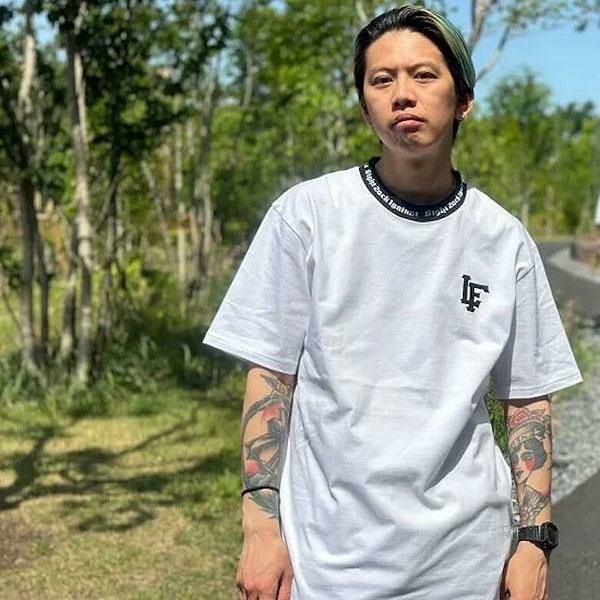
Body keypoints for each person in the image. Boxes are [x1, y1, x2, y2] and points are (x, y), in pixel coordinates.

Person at [203, 5, 582, 599]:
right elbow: (271, 377)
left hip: (466, 562)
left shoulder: (503, 240)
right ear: (365, 107)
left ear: (463, 100)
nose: (403, 93)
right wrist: (259, 525)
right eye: (382, 80)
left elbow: (528, 400)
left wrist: (535, 542)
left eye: (424, 75)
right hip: (327, 559)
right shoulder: (307, 217)